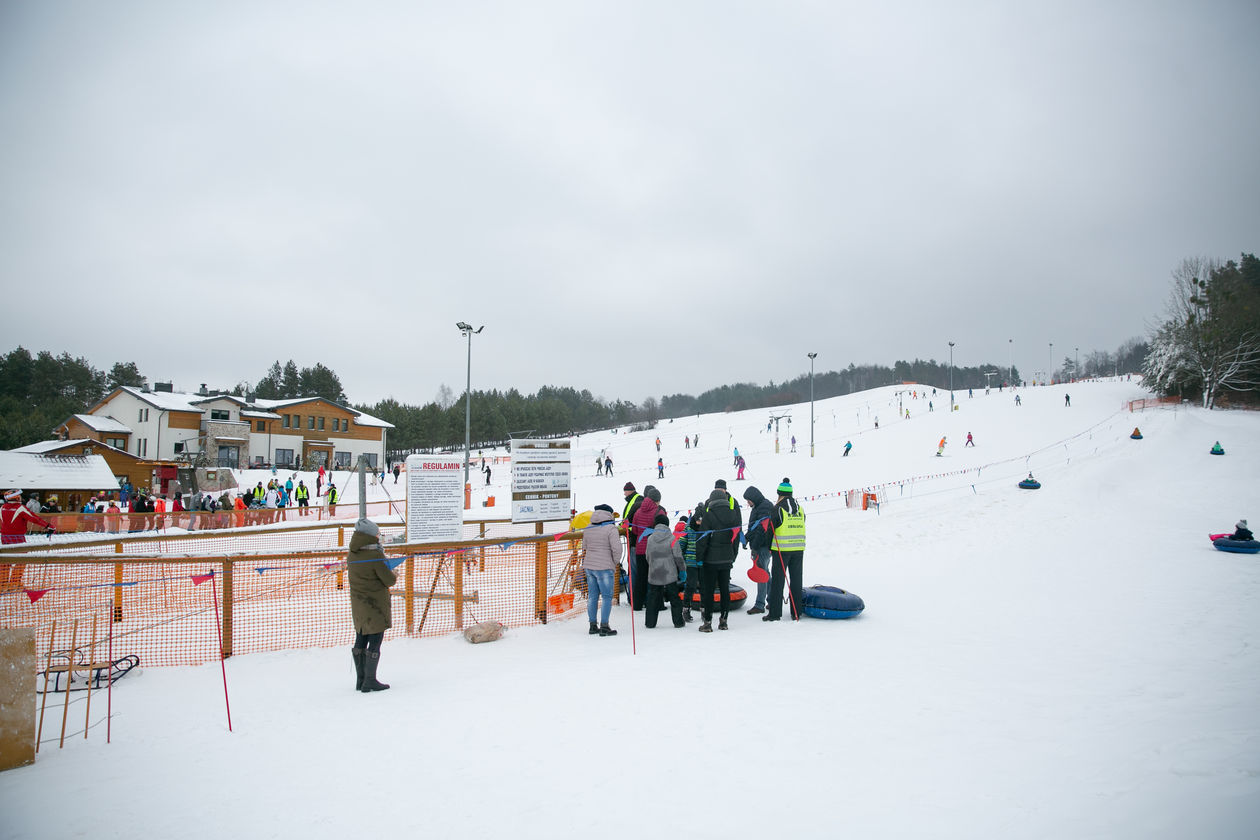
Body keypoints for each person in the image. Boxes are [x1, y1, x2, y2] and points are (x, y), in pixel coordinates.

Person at [348, 518, 395, 692]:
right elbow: (389, 580)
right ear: (369, 535)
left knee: (361, 636)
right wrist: (393, 572)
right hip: (375, 605)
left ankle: (361, 680)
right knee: (375, 640)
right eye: (376, 533)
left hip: (359, 604)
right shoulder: (375, 555)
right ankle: (370, 680)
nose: (378, 535)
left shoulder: (353, 553)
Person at [695, 480, 741, 632]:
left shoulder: (708, 516)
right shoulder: (733, 514)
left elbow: (703, 539)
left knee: (708, 591)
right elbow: (735, 538)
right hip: (727, 558)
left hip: (711, 560)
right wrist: (733, 555)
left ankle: (707, 622)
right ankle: (724, 621)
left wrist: (699, 557)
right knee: (725, 590)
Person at [578, 504, 622, 636]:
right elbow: (617, 549)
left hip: (589, 566)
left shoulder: (588, 527)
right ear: (609, 514)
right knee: (607, 597)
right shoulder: (611, 528)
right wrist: (614, 562)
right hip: (604, 567)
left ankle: (592, 625)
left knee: (592, 597)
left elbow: (584, 547)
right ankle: (604, 626)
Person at [765, 478, 805, 622]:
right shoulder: (799, 508)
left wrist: (768, 546)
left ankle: (775, 614)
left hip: (781, 550)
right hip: (799, 548)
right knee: (796, 580)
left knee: (778, 582)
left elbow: (771, 529)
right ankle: (796, 612)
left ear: (779, 493)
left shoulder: (778, 508)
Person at [1, 488, 55, 591]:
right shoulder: (20, 508)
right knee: (21, 559)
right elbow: (34, 518)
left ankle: (2, 584)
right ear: (16, 498)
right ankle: (14, 583)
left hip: (5, 537)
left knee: (5, 560)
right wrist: (48, 525)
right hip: (18, 538)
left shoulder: (2, 508)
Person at [644, 512, 686, 628]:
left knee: (653, 598)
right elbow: (678, 556)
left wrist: (653, 565)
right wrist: (682, 570)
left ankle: (650, 623)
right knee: (674, 598)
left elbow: (647, 555)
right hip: (670, 573)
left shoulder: (650, 538)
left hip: (654, 573)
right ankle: (678, 622)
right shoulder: (672, 538)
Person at [629, 485, 662, 611]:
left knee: (641, 577)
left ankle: (637, 604)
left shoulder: (638, 511)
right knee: (654, 577)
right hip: (654, 549)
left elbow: (636, 530)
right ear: (656, 500)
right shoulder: (659, 511)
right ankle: (654, 604)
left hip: (640, 548)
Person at [742, 485, 774, 615]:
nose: (748, 503)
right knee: (765, 573)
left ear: (754, 498)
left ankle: (759, 605)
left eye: (748, 500)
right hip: (760, 545)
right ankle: (772, 600)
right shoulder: (759, 506)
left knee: (761, 573)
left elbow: (762, 530)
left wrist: (754, 547)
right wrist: (747, 538)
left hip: (763, 546)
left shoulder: (764, 507)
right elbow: (754, 527)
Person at [679, 507, 703, 623]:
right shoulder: (688, 529)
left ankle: (704, 609)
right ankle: (686, 608)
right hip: (691, 562)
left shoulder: (706, 529)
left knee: (704, 586)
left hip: (703, 562)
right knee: (691, 585)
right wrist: (684, 558)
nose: (699, 523)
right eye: (698, 520)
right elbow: (682, 544)